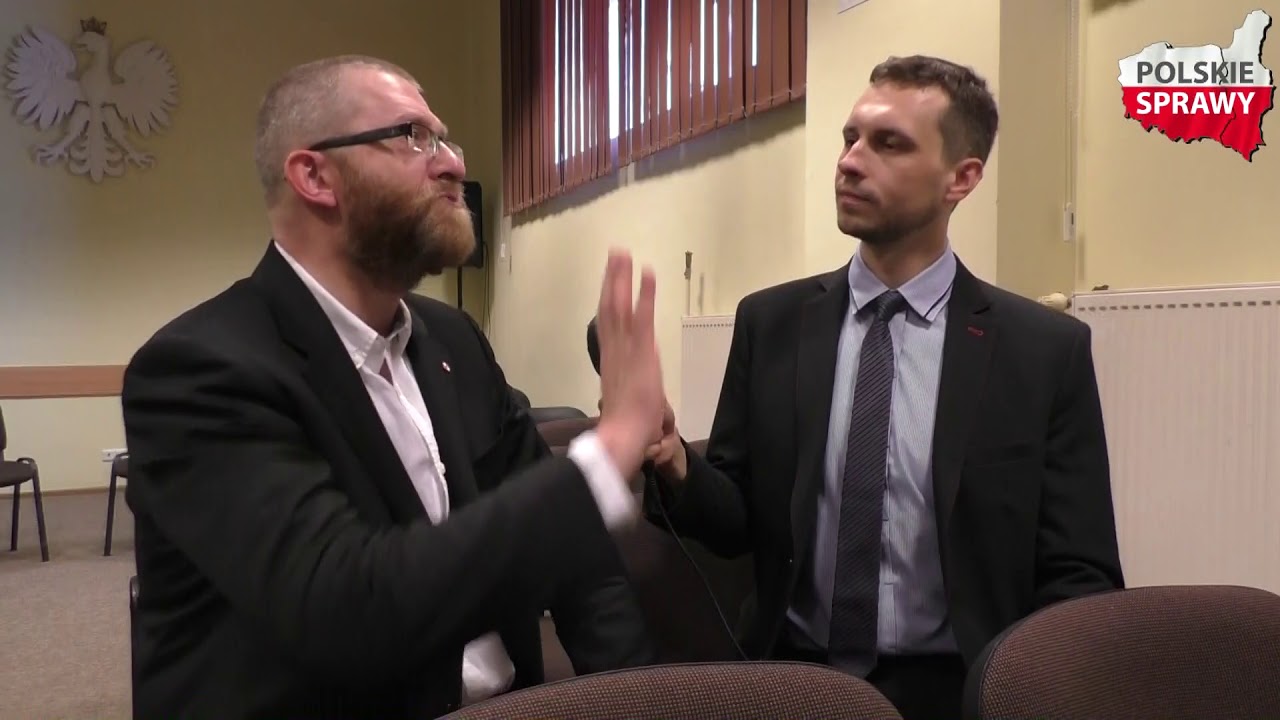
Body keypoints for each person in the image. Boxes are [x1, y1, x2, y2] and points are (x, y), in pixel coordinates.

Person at [120, 54, 665, 720]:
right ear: (315, 176)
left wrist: (639, 699)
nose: (453, 163)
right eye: (413, 136)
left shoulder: (454, 340)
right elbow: (348, 607)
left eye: (445, 139)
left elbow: (578, 562)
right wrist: (610, 449)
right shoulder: (199, 371)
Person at [642, 54, 1124, 720]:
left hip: (960, 690)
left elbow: (1081, 573)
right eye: (850, 138)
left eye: (888, 144)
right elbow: (737, 521)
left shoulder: (1042, 352)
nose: (850, 161)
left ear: (962, 178)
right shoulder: (772, 323)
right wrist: (674, 461)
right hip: (796, 679)